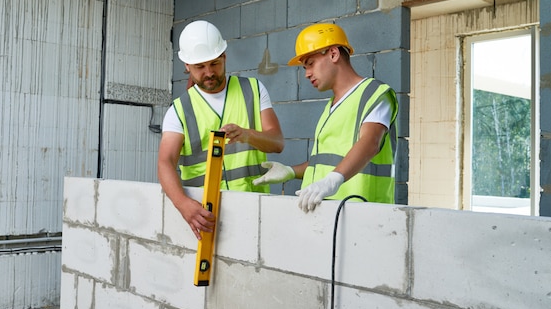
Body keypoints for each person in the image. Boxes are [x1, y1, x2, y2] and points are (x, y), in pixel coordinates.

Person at [158, 20, 284, 239]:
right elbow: (165, 162)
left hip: (253, 211)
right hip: (203, 217)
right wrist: (183, 205)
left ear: (224, 56)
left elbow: (277, 143)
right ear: (187, 65)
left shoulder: (253, 90)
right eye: (200, 67)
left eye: (214, 63)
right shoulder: (178, 110)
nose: (209, 73)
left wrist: (247, 135)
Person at [253, 23, 398, 212]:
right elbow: (324, 163)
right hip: (327, 214)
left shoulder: (373, 94)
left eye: (310, 64)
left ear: (333, 54)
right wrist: (290, 171)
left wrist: (332, 180)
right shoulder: (331, 106)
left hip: (363, 213)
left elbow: (370, 142)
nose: (306, 74)